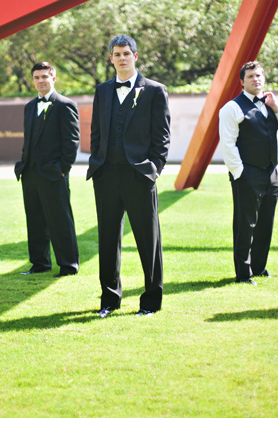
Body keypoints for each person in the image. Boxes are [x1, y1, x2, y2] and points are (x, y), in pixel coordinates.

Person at [87, 34, 171, 318]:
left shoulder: (155, 91)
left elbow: (162, 138)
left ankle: (150, 302)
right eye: (117, 54)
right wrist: (97, 162)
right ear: (111, 59)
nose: (122, 58)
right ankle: (109, 300)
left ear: (136, 56)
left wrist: (154, 171)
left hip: (139, 177)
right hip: (106, 175)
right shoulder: (102, 91)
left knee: (149, 240)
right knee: (108, 240)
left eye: (126, 53)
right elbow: (96, 132)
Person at [218, 61, 278, 285]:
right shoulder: (232, 108)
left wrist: (277, 107)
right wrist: (240, 173)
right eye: (251, 76)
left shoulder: (271, 105)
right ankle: (243, 273)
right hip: (247, 174)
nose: (256, 79)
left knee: (266, 223)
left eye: (259, 75)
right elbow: (228, 145)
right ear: (242, 81)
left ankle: (259, 267)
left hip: (271, 174)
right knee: (245, 224)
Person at [15, 62, 81, 277]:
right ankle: (40, 263)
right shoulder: (29, 107)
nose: (41, 80)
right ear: (32, 80)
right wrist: (23, 165)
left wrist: (62, 170)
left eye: (45, 76)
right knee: (35, 221)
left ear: (53, 78)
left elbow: (72, 142)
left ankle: (69, 265)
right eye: (37, 77)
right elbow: (29, 140)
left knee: (60, 221)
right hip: (30, 174)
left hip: (54, 174)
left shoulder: (65, 105)